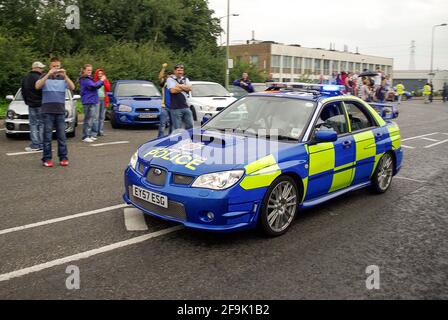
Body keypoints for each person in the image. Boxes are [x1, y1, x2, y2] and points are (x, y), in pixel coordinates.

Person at [35, 57, 75, 167]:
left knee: (62, 136)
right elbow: (37, 86)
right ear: (50, 66)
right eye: (54, 66)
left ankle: (63, 158)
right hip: (47, 111)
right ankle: (46, 159)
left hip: (60, 111)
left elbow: (72, 87)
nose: (56, 68)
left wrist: (65, 76)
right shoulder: (44, 76)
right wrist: (48, 74)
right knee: (47, 136)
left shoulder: (63, 78)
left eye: (58, 66)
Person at [22, 62, 45, 152]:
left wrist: (27, 102)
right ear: (36, 68)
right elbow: (44, 91)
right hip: (41, 104)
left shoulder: (26, 78)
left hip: (31, 105)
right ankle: (42, 144)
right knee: (42, 124)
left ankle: (35, 144)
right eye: (41, 68)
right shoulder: (41, 78)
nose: (42, 70)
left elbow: (23, 91)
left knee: (33, 124)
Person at [79, 64, 105, 143]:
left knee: (91, 118)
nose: (90, 71)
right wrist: (101, 80)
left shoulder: (89, 78)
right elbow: (93, 86)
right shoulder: (84, 79)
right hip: (88, 101)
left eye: (90, 70)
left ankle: (89, 135)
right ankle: (85, 136)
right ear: (84, 70)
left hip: (92, 100)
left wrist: (100, 82)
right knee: (88, 119)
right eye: (88, 70)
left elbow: (95, 86)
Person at [167, 64, 193, 131]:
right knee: (177, 128)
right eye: (178, 70)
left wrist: (179, 86)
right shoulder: (170, 79)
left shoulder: (185, 79)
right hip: (175, 108)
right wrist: (184, 87)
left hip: (186, 107)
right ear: (174, 71)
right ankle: (177, 141)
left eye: (181, 70)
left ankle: (188, 140)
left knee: (190, 126)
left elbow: (190, 88)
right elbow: (172, 91)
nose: (180, 72)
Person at [93, 68, 111, 137]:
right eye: (99, 73)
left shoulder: (105, 81)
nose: (100, 75)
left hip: (104, 100)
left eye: (101, 74)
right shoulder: (94, 81)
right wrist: (100, 81)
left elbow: (108, 89)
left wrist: (104, 81)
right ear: (96, 74)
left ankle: (100, 131)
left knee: (102, 117)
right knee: (96, 117)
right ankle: (95, 132)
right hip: (96, 100)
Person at [158, 63, 172, 138]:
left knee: (172, 125)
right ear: (167, 77)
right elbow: (160, 77)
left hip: (173, 107)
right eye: (168, 76)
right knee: (162, 124)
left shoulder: (176, 84)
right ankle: (160, 138)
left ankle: (170, 138)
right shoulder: (164, 84)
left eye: (171, 76)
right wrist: (163, 68)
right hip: (164, 107)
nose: (170, 77)